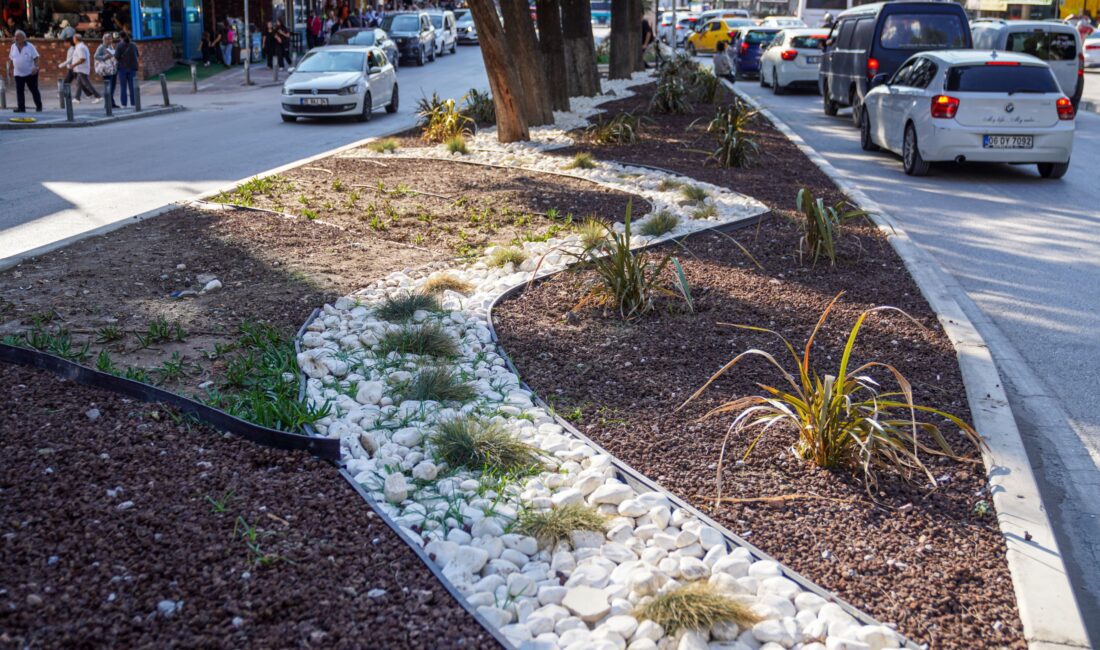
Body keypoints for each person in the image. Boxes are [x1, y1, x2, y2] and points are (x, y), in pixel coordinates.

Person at [60, 34, 102, 104]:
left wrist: (73, 65)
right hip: (80, 69)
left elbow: (82, 59)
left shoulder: (80, 47)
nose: (73, 40)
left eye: (73, 39)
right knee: (79, 84)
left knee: (87, 84)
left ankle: (98, 96)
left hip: (82, 69)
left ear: (75, 39)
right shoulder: (80, 46)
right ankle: (77, 98)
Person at [8, 30, 42, 112]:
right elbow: (11, 59)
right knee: (19, 91)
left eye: (18, 36)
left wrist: (36, 67)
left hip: (30, 73)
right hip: (18, 73)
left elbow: (36, 57)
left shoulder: (30, 46)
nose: (16, 38)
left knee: (34, 90)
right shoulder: (13, 46)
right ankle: (21, 107)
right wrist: (9, 68)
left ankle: (39, 106)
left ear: (24, 38)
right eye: (15, 36)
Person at [94, 33, 119, 109]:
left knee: (112, 87)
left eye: (111, 39)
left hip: (112, 70)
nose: (111, 40)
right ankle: (108, 104)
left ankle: (112, 103)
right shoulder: (101, 47)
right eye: (109, 39)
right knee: (109, 87)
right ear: (105, 39)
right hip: (106, 71)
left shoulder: (110, 46)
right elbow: (96, 56)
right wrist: (105, 57)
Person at [115, 31, 139, 107]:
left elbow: (116, 57)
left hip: (122, 68)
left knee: (123, 87)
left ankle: (124, 104)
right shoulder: (133, 45)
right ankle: (133, 103)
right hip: (132, 68)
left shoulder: (119, 45)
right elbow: (137, 55)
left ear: (121, 37)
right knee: (132, 87)